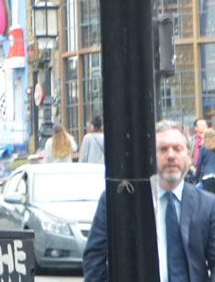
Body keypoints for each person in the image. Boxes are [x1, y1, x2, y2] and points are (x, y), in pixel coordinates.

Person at [83, 119, 215, 282]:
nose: (171, 155)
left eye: (177, 148)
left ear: (188, 154)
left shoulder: (208, 205)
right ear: (150, 155)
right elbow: (95, 259)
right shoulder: (120, 201)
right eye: (163, 149)